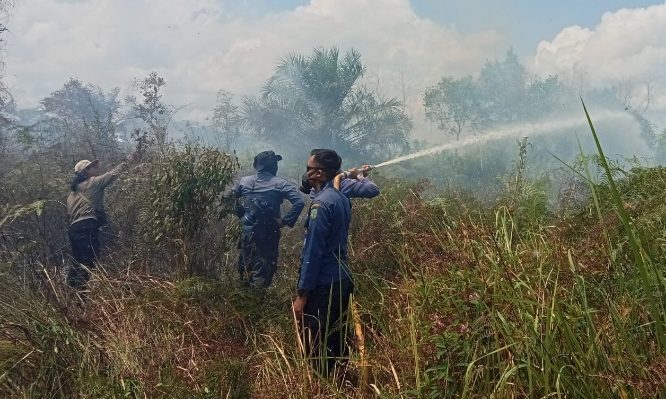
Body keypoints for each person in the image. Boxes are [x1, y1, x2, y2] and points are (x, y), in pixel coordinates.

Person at [293, 149, 354, 375]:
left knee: (317, 345)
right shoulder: (341, 198)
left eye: (309, 169)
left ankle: (322, 385)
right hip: (342, 279)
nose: (306, 173)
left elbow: (312, 253)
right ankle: (341, 382)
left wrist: (302, 295)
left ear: (319, 173)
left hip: (324, 285)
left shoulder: (320, 205)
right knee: (337, 338)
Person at [233, 151, 305, 290]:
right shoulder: (281, 184)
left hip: (247, 233)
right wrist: (284, 221)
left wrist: (240, 213)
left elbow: (229, 198)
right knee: (264, 268)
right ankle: (255, 304)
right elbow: (299, 202)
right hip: (268, 234)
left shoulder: (244, 181)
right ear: (273, 166)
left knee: (245, 266)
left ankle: (242, 301)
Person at [66, 155, 137, 291]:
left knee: (77, 261)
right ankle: (81, 294)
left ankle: (70, 292)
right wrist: (130, 159)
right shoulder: (93, 182)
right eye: (92, 167)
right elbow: (113, 174)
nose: (96, 168)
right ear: (85, 171)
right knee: (89, 261)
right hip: (87, 227)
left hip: (74, 230)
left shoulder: (71, 194)